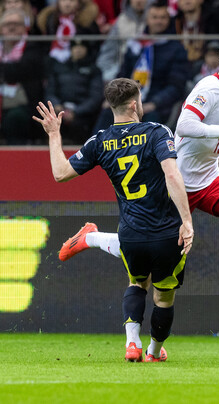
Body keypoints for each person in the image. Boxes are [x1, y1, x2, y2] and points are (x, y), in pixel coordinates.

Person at [59, 44, 219, 309]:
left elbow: (198, 136)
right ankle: (89, 238)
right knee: (146, 246)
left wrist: (216, 157)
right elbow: (185, 126)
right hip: (179, 186)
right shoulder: (209, 89)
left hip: (207, 180)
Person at [33, 78, 194, 362]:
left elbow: (60, 173)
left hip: (130, 235)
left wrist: (54, 134)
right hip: (166, 233)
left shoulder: (101, 140)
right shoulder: (156, 132)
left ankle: (132, 344)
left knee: (136, 285)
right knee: (163, 296)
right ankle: (154, 352)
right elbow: (172, 174)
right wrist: (187, 221)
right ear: (134, 104)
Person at [92, 1, 189, 131]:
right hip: (129, 100)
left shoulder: (177, 49)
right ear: (147, 19)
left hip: (157, 105)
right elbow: (122, 75)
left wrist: (154, 103)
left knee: (149, 122)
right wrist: (112, 98)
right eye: (155, 17)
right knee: (107, 114)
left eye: (163, 18)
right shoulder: (135, 44)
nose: (159, 21)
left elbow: (176, 86)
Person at [0, 9, 47, 145]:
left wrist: (6, 70)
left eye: (16, 23)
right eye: (7, 24)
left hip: (24, 103)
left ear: (24, 27)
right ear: (1, 28)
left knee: (15, 118)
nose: (12, 27)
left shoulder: (33, 46)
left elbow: (22, 69)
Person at [45, 36, 103, 144]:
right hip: (59, 110)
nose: (78, 49)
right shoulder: (59, 68)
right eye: (75, 47)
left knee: (79, 126)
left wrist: (76, 111)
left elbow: (95, 97)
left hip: (82, 113)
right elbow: (50, 91)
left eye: (82, 47)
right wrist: (56, 105)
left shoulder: (94, 70)